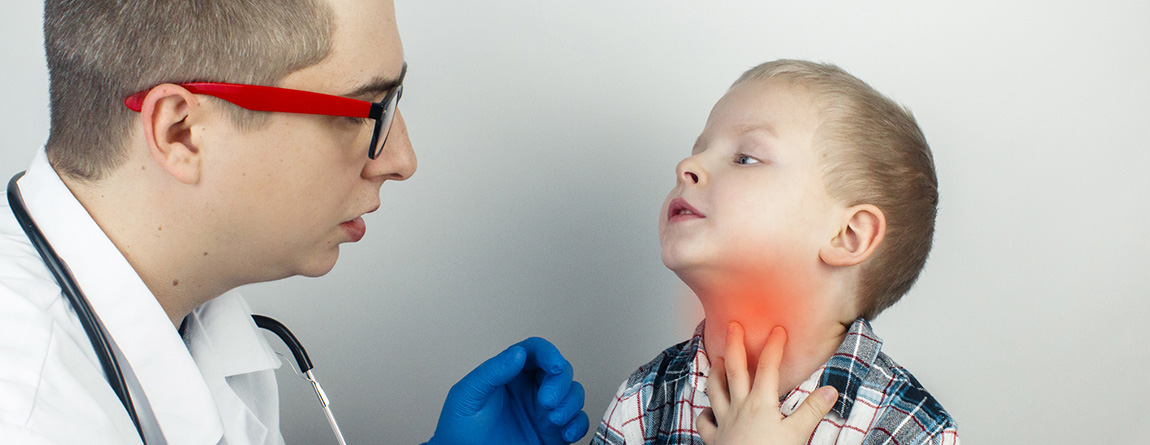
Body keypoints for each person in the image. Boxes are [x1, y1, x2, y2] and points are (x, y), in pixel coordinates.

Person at [0, 0, 591, 443]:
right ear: (181, 131)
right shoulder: (29, 410)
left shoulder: (199, 313)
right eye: (367, 110)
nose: (401, 160)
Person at [591, 59, 960, 444]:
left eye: (745, 158)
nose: (687, 165)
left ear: (847, 235)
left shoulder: (913, 430)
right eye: (697, 150)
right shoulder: (644, 399)